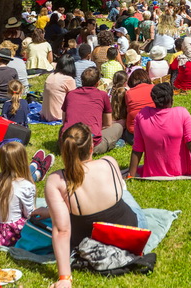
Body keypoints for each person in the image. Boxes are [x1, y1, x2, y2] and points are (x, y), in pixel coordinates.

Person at [42, 123, 144, 287]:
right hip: (128, 232)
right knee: (125, 196)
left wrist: (64, 278)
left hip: (90, 242)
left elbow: (62, 230)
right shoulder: (109, 162)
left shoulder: (57, 180)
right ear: (91, 147)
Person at [128, 82, 191, 178]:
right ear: (171, 98)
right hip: (182, 171)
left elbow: (137, 148)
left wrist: (131, 175)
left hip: (153, 173)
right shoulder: (182, 113)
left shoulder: (142, 115)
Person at [0, 142, 36, 246]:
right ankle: (37, 168)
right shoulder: (25, 186)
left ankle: (37, 169)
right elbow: (29, 214)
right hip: (12, 234)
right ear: (23, 160)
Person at [61, 67, 124, 155]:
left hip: (66, 144)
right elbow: (108, 124)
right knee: (119, 126)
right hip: (90, 145)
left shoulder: (70, 94)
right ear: (98, 83)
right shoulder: (102, 95)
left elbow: (64, 120)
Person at [41, 54, 77, 122]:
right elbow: (75, 100)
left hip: (45, 114)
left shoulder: (51, 75)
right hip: (60, 115)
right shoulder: (68, 79)